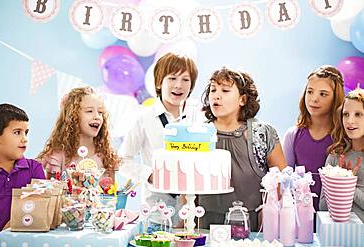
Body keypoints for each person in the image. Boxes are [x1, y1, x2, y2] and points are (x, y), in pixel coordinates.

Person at [199, 67, 286, 231]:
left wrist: (272, 219)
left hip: (252, 225)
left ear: (243, 99)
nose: (216, 95)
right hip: (206, 224)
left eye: (225, 90)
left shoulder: (263, 134)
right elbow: (187, 185)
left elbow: (282, 183)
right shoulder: (198, 134)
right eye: (213, 90)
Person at [118, 53, 198, 226]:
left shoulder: (198, 115)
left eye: (186, 79)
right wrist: (150, 175)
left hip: (194, 211)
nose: (179, 85)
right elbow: (122, 160)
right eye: (172, 78)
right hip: (156, 212)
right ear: (159, 82)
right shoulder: (143, 117)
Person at [282, 65, 344, 211]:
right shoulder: (293, 135)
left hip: (335, 214)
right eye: (310, 92)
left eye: (323, 94)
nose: (314, 99)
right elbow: (285, 181)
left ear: (336, 99)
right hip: (301, 213)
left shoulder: (343, 136)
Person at [37, 86, 119, 179]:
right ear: (73, 116)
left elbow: (111, 190)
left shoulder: (107, 156)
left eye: (100, 112)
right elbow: (51, 189)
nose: (97, 116)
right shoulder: (58, 155)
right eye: (89, 111)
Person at [0, 104, 45, 235]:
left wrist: (2, 236)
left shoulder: (34, 169)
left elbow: (37, 210)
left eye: (26, 132)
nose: (24, 139)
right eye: (17, 132)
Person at [319, 87, 363, 222]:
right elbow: (322, 207)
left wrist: (346, 183)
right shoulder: (335, 156)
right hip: (337, 235)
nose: (349, 121)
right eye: (346, 114)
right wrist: (335, 183)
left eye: (358, 114)